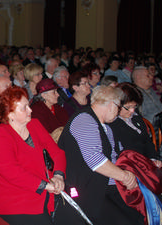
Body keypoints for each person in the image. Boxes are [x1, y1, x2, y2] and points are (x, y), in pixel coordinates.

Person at [109, 83, 162, 225]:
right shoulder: (112, 123)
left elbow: (147, 143)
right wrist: (145, 163)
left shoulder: (136, 119)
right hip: (134, 170)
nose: (132, 111)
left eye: (134, 107)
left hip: (148, 167)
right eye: (128, 107)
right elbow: (122, 153)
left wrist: (154, 158)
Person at [57, 85, 143, 225]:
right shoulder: (84, 119)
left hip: (107, 186)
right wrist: (125, 176)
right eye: (118, 107)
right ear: (111, 105)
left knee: (142, 212)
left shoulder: (106, 126)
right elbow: (95, 159)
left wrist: (130, 173)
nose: (118, 111)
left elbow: (118, 154)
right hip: (89, 191)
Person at [0, 86, 65, 225]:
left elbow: (57, 153)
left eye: (28, 106)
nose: (30, 110)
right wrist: (45, 185)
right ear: (10, 114)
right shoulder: (0, 135)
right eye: (24, 108)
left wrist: (59, 175)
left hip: (43, 196)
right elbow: (12, 172)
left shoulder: (34, 125)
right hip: (14, 201)